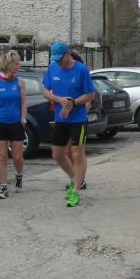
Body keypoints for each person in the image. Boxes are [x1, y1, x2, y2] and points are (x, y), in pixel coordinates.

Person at [41, 41, 96, 208]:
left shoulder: (81, 69)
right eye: (56, 59)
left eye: (61, 59)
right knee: (57, 154)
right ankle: (75, 179)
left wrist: (73, 102)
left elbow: (90, 94)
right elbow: (45, 91)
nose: (59, 62)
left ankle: (76, 191)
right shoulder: (52, 68)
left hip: (78, 119)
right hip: (61, 119)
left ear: (68, 54)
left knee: (77, 154)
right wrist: (59, 99)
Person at [0, 50, 27, 200]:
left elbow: (23, 102)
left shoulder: (20, 82)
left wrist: (23, 119)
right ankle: (3, 187)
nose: (18, 66)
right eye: (16, 64)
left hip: (16, 123)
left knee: (17, 157)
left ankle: (19, 175)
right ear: (9, 65)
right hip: (1, 124)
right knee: (2, 156)